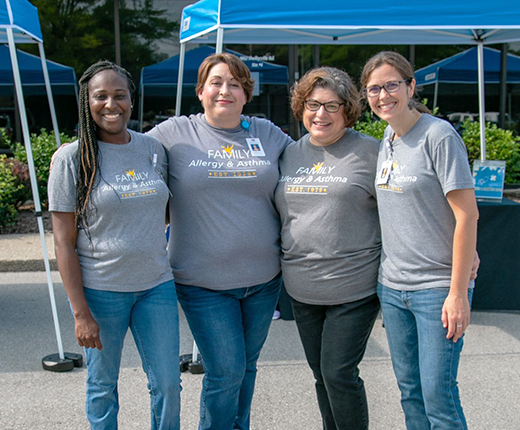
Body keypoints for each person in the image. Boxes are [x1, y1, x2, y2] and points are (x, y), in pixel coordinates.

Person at [147, 53, 293, 430]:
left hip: (264, 280)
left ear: (247, 93)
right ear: (200, 91)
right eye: (216, 82)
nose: (224, 90)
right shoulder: (174, 133)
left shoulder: (268, 134)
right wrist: (72, 153)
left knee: (245, 367)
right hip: (202, 283)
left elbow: (310, 160)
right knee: (225, 371)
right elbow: (122, 150)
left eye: (235, 84)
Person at [48, 60, 180, 430]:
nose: (111, 104)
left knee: (169, 384)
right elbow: (63, 243)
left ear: (131, 101)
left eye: (119, 95)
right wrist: (80, 314)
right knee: (102, 385)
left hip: (156, 286)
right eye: (100, 96)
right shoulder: (71, 159)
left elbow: (162, 212)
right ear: (85, 102)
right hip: (102, 292)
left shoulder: (153, 149)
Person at [360, 51, 479, 429]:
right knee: (410, 391)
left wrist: (457, 292)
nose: (383, 95)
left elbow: (467, 214)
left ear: (411, 87)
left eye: (392, 85)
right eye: (374, 89)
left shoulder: (438, 135)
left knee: (437, 395)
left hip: (436, 290)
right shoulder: (387, 137)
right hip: (393, 288)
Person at [274, 67, 381, 430]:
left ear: (348, 109)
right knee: (322, 375)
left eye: (332, 106)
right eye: (313, 104)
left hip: (354, 287)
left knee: (339, 373)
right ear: (301, 106)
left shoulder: (371, 152)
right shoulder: (288, 153)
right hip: (303, 289)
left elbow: (405, 207)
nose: (320, 114)